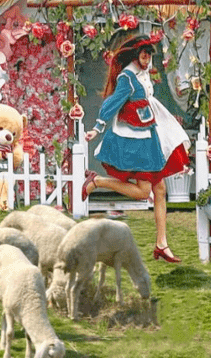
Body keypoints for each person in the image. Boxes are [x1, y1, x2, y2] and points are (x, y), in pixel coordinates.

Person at [82, 33, 191, 263]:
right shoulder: (128, 77)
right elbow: (112, 102)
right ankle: (97, 182)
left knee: (160, 189)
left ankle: (162, 244)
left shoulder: (143, 74)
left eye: (149, 54)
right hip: (137, 141)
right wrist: (98, 127)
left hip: (149, 136)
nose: (147, 57)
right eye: (143, 53)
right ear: (136, 54)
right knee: (144, 192)